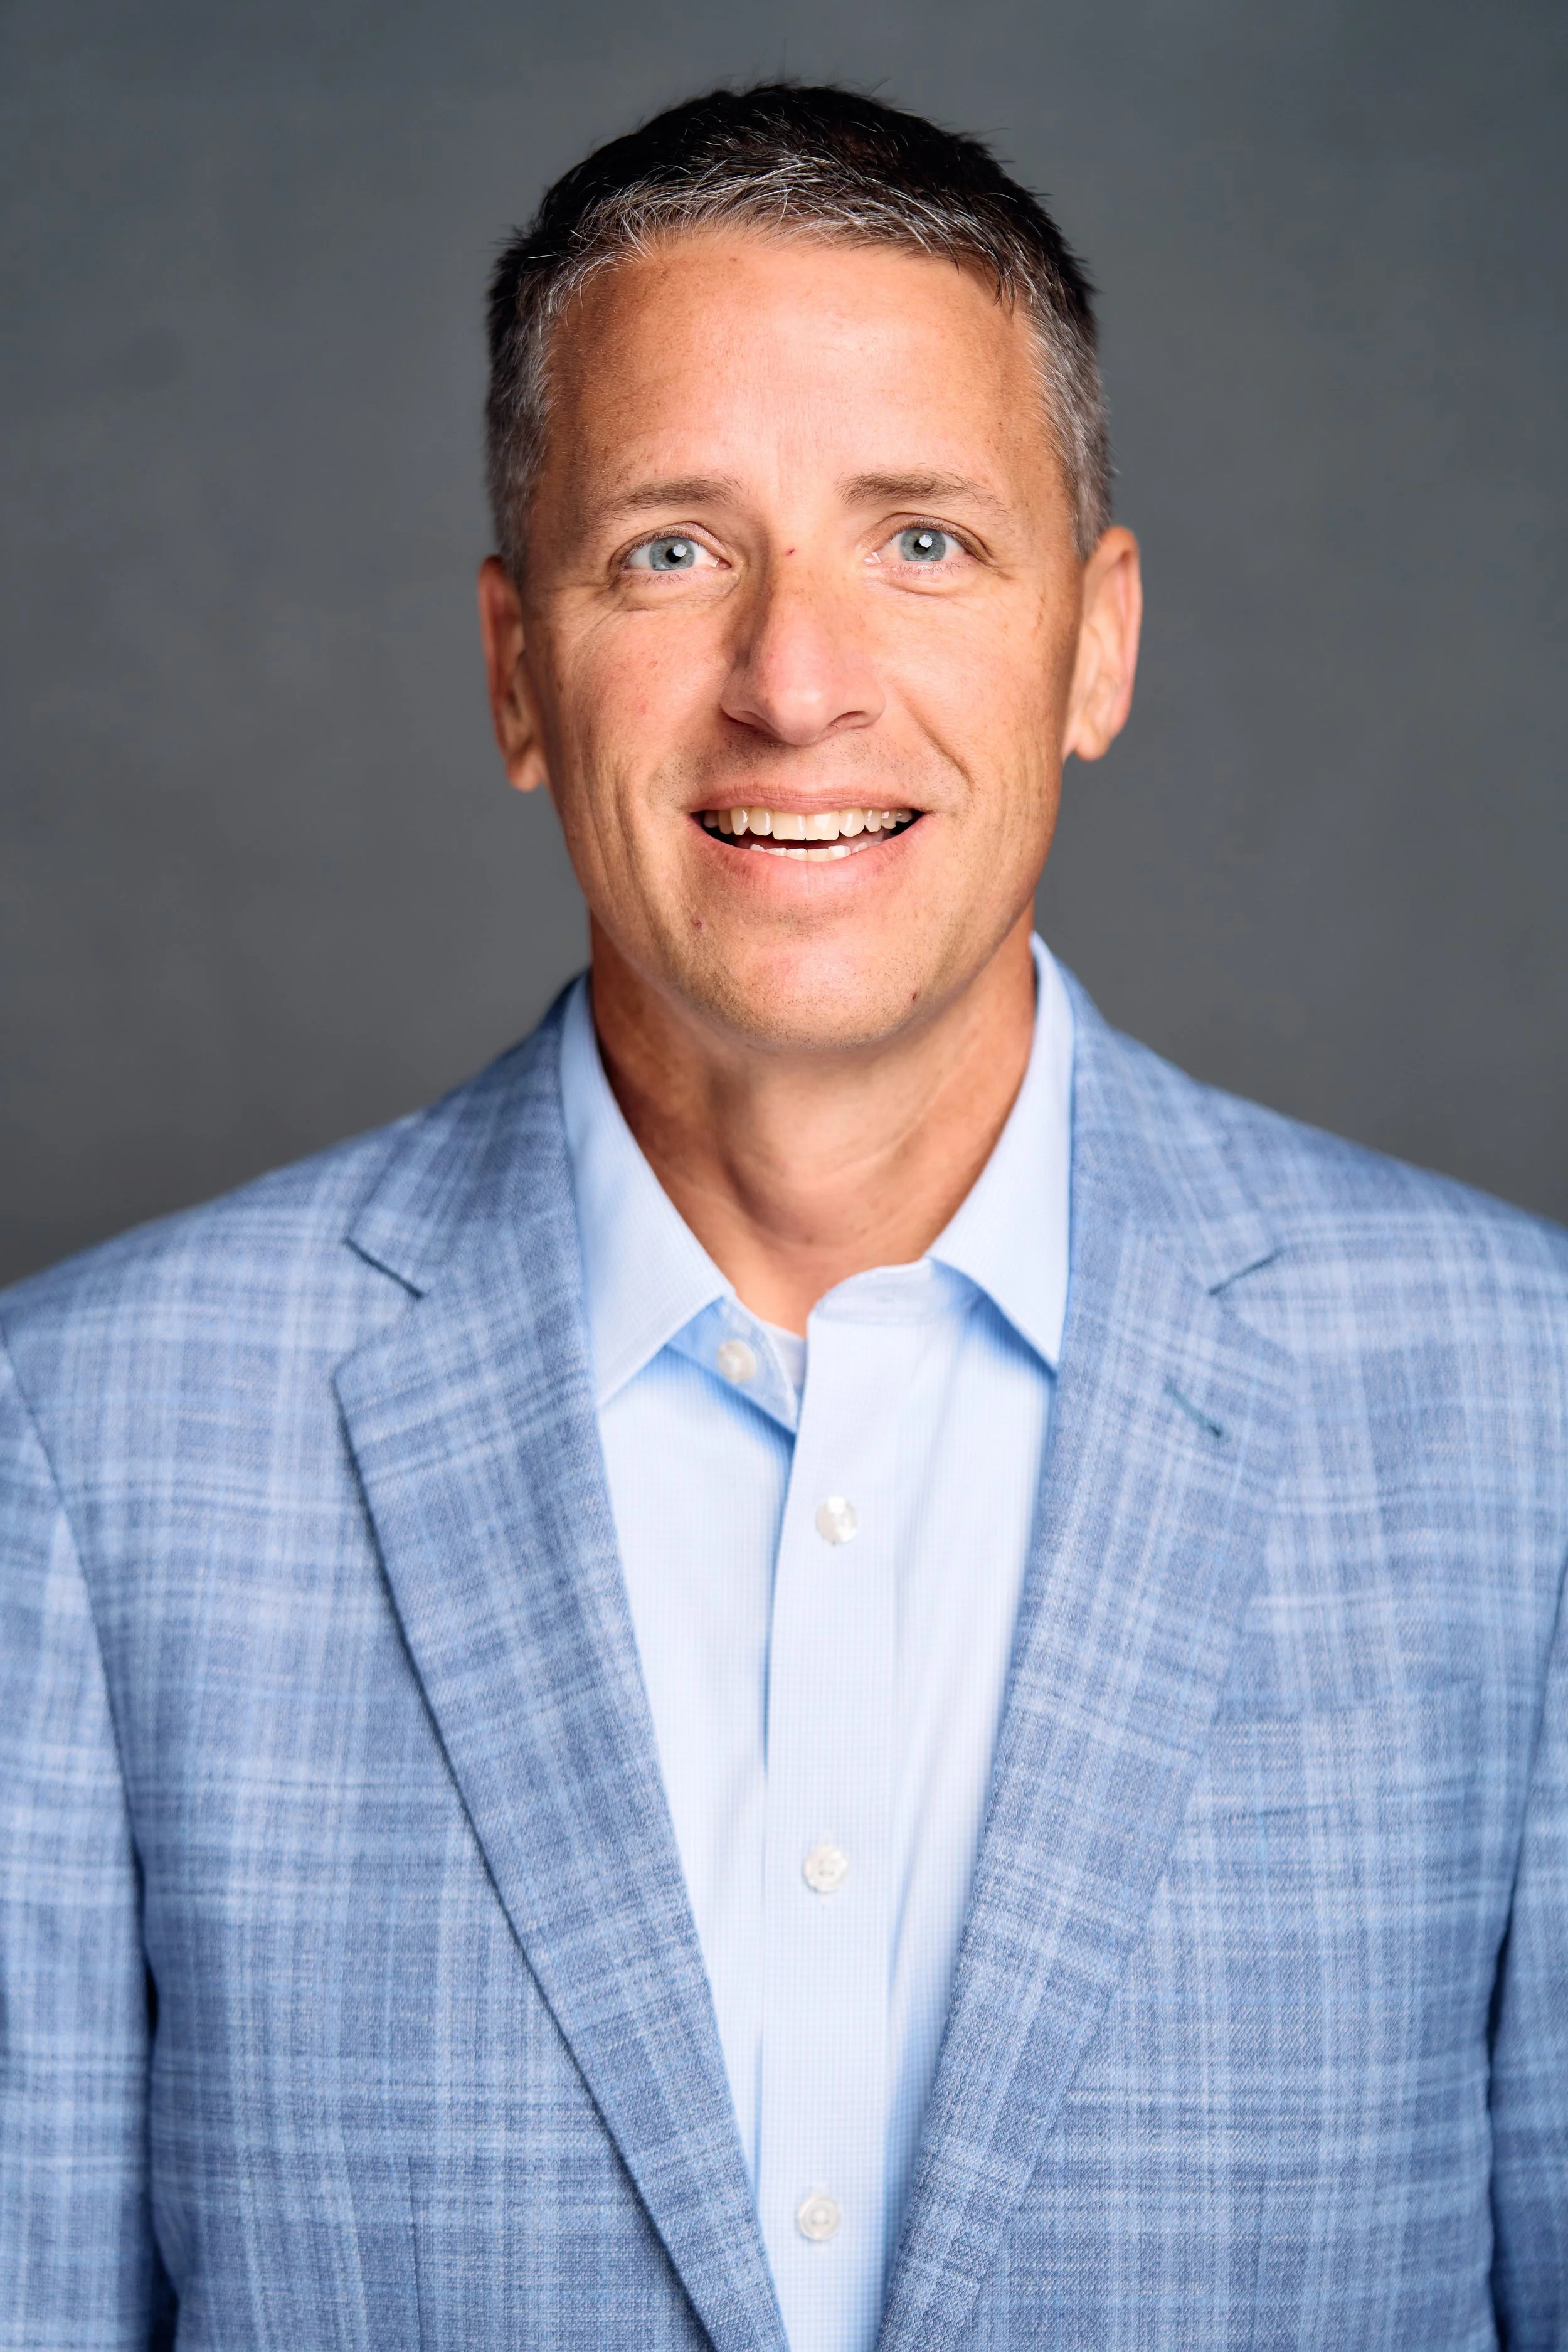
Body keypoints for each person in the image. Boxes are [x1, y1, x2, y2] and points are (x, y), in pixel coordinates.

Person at [1, 80, 1564, 2352]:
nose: (793, 678)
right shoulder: (79, 1447)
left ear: (1095, 646)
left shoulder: (1527, 1421)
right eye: (669, 548)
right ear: (517, 671)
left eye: (919, 539)